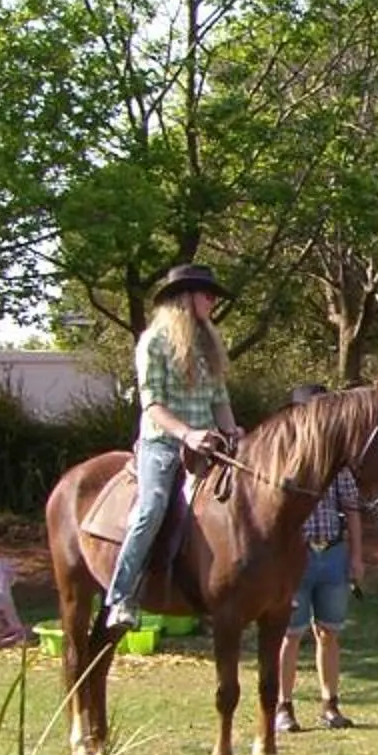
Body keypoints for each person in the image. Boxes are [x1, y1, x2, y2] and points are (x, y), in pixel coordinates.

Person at [104, 264, 241, 631]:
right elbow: (152, 405)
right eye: (207, 294)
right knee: (152, 507)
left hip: (208, 444)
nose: (212, 301)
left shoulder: (208, 344)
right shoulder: (154, 342)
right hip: (162, 444)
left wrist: (232, 431)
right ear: (185, 297)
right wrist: (188, 434)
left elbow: (219, 399)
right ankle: (122, 597)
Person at [273, 382, 364, 733]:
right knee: (290, 634)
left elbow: (352, 509)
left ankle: (330, 703)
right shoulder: (284, 461)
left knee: (329, 632)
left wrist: (356, 557)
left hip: (332, 554)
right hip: (297, 557)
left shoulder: (336, 465)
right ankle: (284, 705)